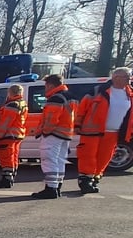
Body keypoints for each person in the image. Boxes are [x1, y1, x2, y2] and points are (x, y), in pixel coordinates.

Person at [74, 66, 133, 194]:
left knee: (105, 157)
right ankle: (85, 180)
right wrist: (77, 125)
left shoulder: (130, 93)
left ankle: (95, 178)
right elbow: (82, 108)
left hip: (114, 132)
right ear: (116, 77)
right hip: (92, 131)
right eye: (127, 77)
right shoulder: (98, 91)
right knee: (88, 156)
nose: (129, 80)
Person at [30, 74, 75, 199]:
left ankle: (50, 188)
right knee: (60, 161)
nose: (45, 89)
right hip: (65, 134)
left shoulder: (55, 98)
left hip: (53, 133)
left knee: (49, 160)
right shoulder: (70, 96)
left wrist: (45, 131)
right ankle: (57, 186)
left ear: (50, 85)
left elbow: (51, 119)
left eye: (46, 86)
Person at [0, 84, 28, 188]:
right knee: (13, 157)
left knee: (6, 157)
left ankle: (6, 179)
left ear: (10, 93)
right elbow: (12, 118)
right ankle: (11, 177)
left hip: (8, 135)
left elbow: (5, 122)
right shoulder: (22, 103)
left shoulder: (12, 105)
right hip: (17, 134)